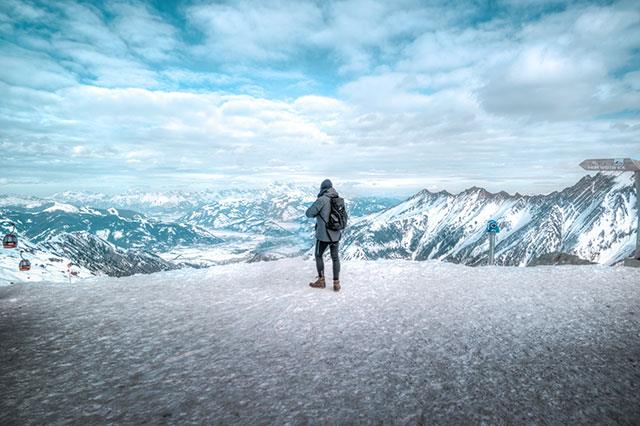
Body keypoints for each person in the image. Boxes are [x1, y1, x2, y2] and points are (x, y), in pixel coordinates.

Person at [306, 179, 341, 291]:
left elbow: (309, 213)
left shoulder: (322, 200)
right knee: (335, 258)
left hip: (323, 235)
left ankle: (321, 281)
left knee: (318, 255)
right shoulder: (338, 199)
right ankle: (336, 283)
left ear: (322, 189)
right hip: (336, 233)